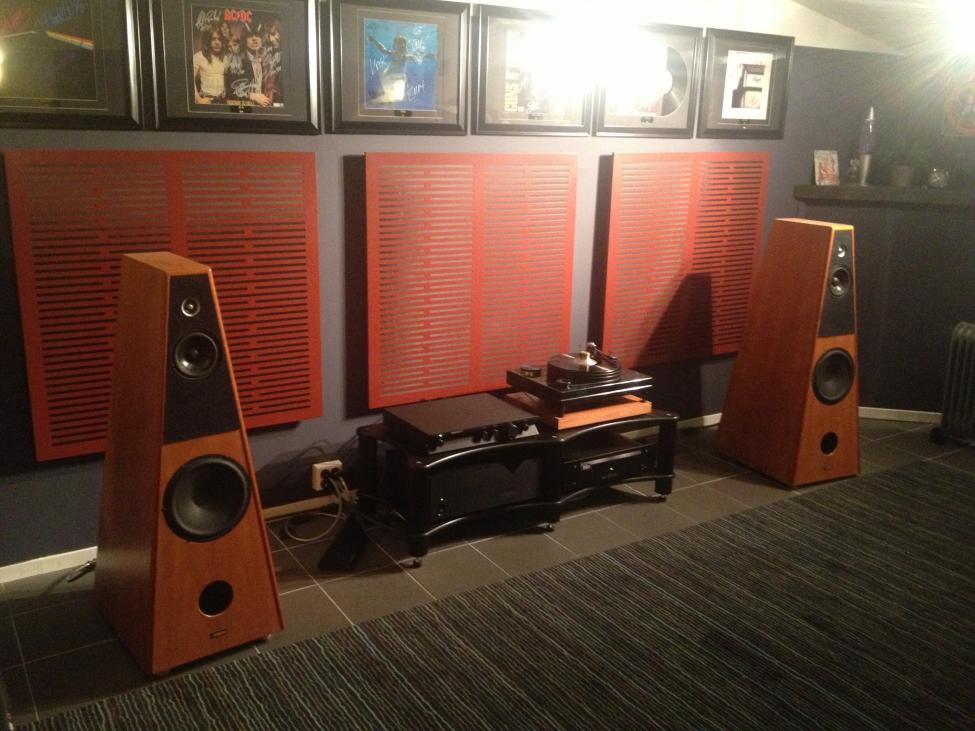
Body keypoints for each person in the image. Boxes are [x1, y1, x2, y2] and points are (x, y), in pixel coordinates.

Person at [225, 24, 272, 106]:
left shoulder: (265, 61)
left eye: (258, 35)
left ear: (262, 40)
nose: (254, 38)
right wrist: (252, 96)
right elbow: (229, 91)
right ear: (244, 40)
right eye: (250, 36)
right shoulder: (236, 61)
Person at [367, 33, 419, 103]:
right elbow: (382, 49)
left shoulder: (407, 57)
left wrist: (421, 57)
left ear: (404, 47)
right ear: (395, 46)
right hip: (389, 75)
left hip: (398, 77)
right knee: (389, 87)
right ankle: (381, 94)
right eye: (399, 45)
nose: (400, 48)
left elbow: (417, 58)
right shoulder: (393, 54)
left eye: (402, 46)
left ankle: (383, 95)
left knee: (397, 95)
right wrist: (374, 41)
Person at [193, 29, 228, 103]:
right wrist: (198, 99)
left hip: (222, 100)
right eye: (213, 39)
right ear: (208, 41)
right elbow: (189, 80)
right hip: (207, 100)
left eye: (219, 39)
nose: (217, 42)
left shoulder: (225, 58)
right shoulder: (199, 56)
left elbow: (225, 77)